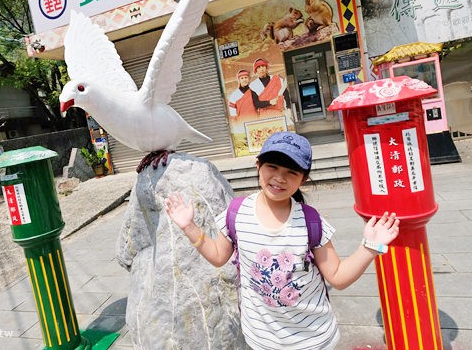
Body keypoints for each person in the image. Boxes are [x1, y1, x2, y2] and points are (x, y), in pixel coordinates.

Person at [165, 131, 400, 350]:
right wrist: (189, 227)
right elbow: (217, 256)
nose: (279, 178)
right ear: (258, 166)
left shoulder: (310, 221)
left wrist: (370, 246)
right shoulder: (236, 213)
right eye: (272, 167)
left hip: (314, 339)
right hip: (261, 339)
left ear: (303, 179)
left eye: (291, 172)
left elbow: (337, 277)